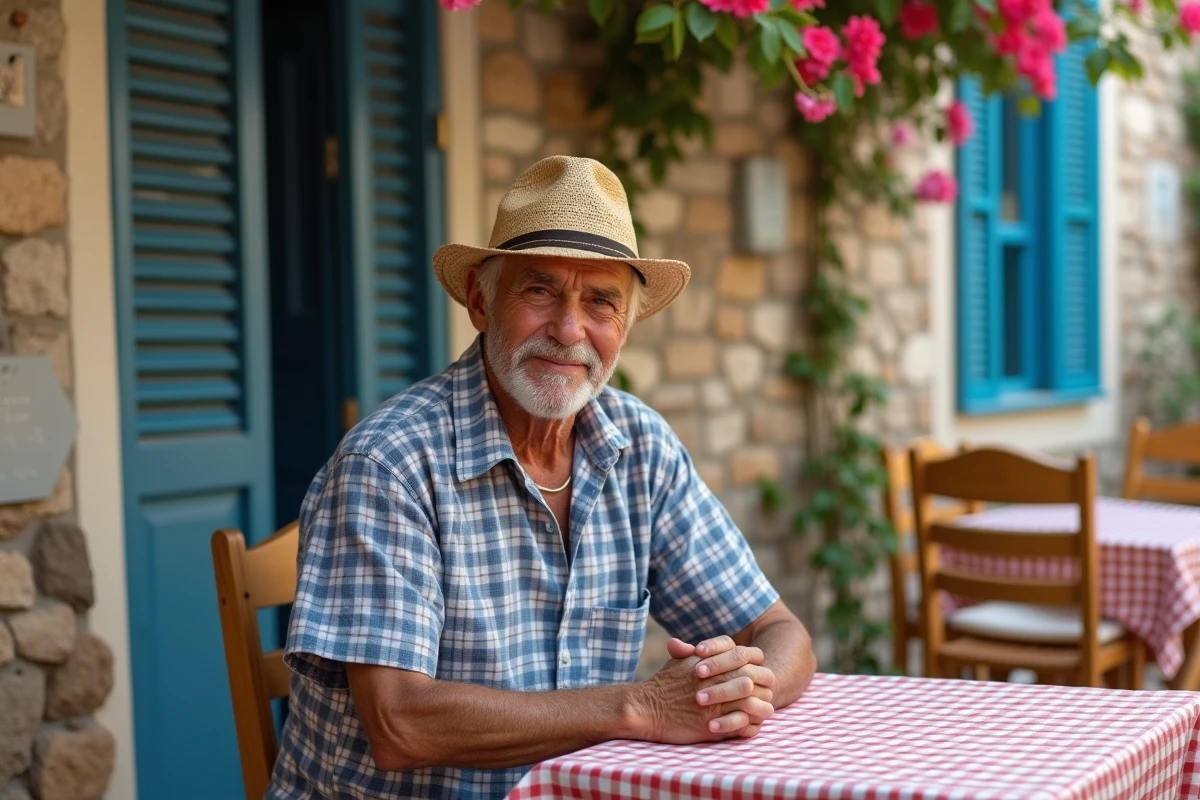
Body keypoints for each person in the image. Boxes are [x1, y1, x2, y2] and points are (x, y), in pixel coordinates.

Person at [268, 155, 816, 799]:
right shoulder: (389, 464)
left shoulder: (639, 446)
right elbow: (400, 722)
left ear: (626, 327)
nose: (568, 329)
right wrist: (640, 707)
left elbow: (780, 632)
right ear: (480, 299)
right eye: (540, 290)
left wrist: (742, 688)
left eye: (601, 302)